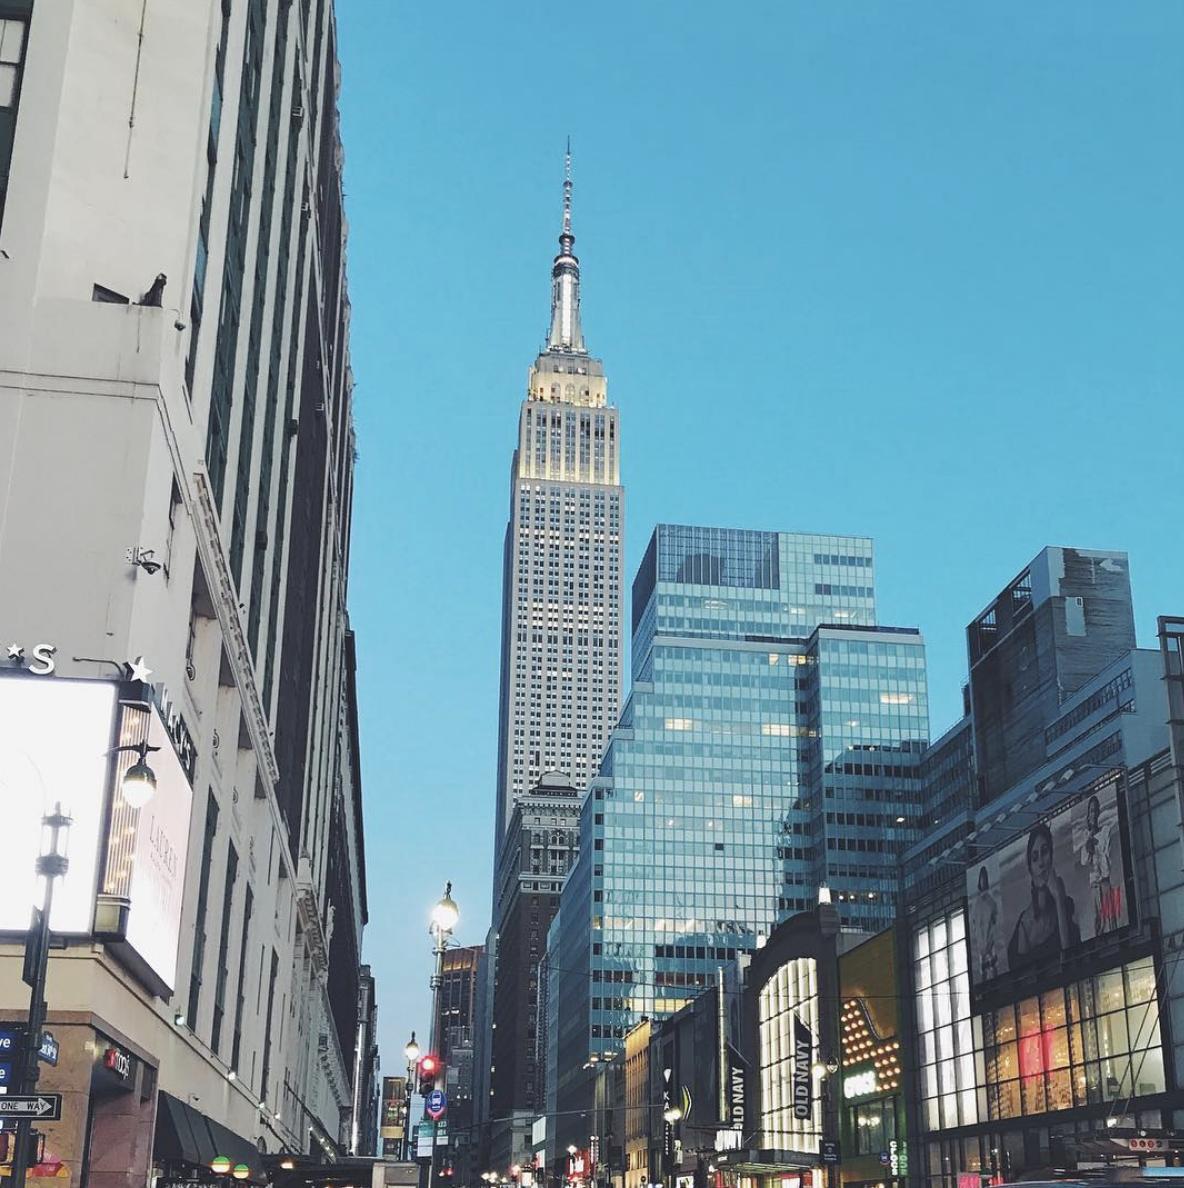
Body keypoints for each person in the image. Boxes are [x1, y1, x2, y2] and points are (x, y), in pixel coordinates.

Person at [1007, 822, 1080, 973]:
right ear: (1030, 868)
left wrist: (1059, 899)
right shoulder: (1024, 925)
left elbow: (1071, 959)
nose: (1041, 863)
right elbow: (1023, 980)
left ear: (1052, 856)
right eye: (1034, 858)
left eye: (1045, 852)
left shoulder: (1066, 903)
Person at [1078, 794, 1117, 934]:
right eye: (1091, 811)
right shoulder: (1085, 837)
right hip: (1094, 886)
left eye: (1095, 811)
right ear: (1088, 815)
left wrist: (1098, 848)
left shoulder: (1105, 832)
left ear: (1099, 812)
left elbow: (1108, 863)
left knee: (1111, 919)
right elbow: (1084, 862)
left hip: (1105, 883)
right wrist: (1089, 845)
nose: (1093, 814)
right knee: (1098, 921)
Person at [970, 865, 1000, 981]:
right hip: (981, 939)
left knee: (992, 964)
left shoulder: (990, 900)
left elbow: (994, 920)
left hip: (989, 937)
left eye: (984, 879)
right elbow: (975, 922)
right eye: (981, 879)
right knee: (983, 965)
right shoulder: (977, 903)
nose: (982, 882)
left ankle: (995, 983)